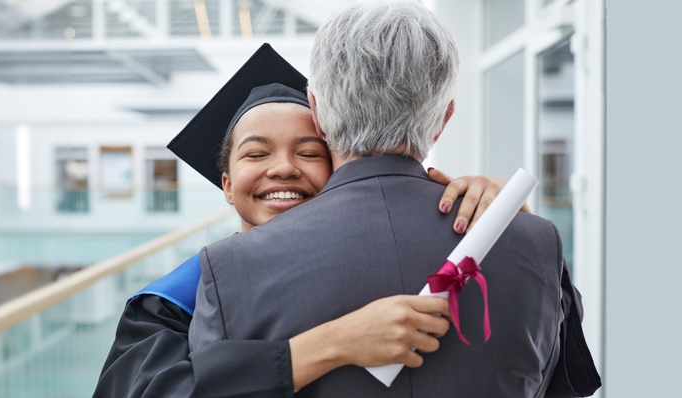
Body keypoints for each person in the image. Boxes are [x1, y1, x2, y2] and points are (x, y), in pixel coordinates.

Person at [189, 2, 600, 397]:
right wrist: (525, 230)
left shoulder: (230, 268)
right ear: (443, 118)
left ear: (317, 112)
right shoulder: (535, 242)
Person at [95, 45, 519, 397]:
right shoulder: (172, 301)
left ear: (339, 168)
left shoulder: (384, 255)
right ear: (226, 184)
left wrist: (500, 213)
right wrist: (331, 344)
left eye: (310, 152)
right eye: (256, 153)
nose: (282, 169)